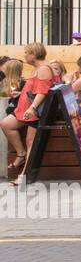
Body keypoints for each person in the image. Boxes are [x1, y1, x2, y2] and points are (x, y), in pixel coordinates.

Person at [3, 44, 55, 179]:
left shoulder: (43, 69)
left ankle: (24, 175)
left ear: (33, 54)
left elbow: (42, 92)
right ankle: (21, 154)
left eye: (26, 53)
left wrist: (32, 108)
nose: (24, 55)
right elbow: (36, 89)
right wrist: (21, 93)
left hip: (34, 111)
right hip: (25, 109)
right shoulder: (38, 68)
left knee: (31, 142)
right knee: (6, 124)